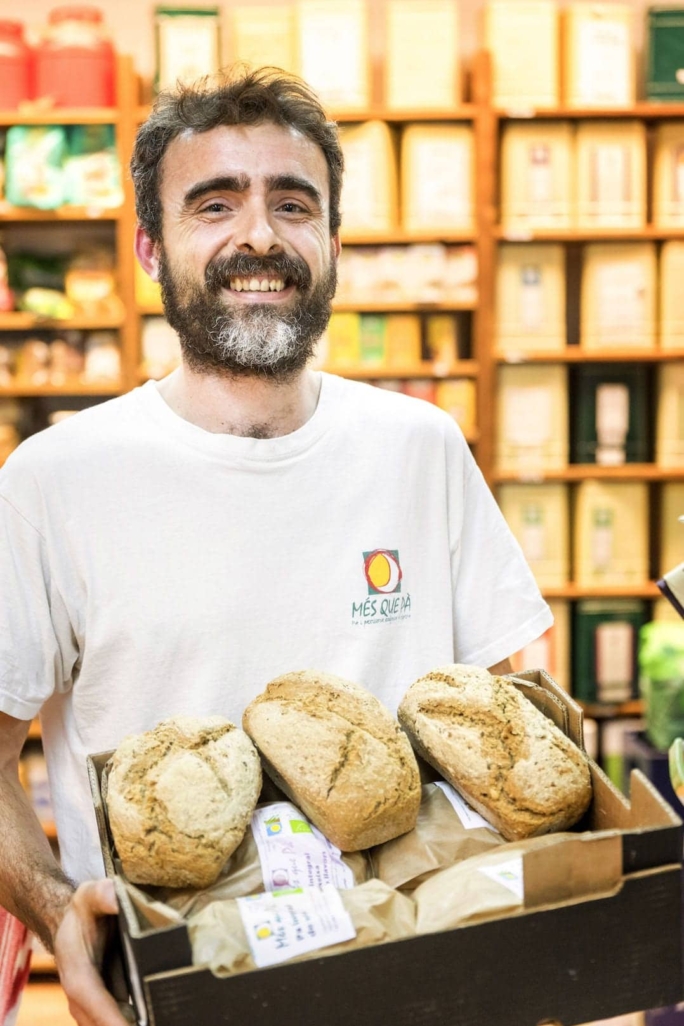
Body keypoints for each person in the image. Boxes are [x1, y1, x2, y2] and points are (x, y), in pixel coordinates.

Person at [0, 67, 552, 1026]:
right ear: (149, 246)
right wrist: (57, 914)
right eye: (215, 203)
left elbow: (505, 732)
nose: (258, 233)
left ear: (332, 243)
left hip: (423, 991)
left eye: (291, 203)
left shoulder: (419, 447)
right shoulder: (54, 482)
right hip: (180, 997)